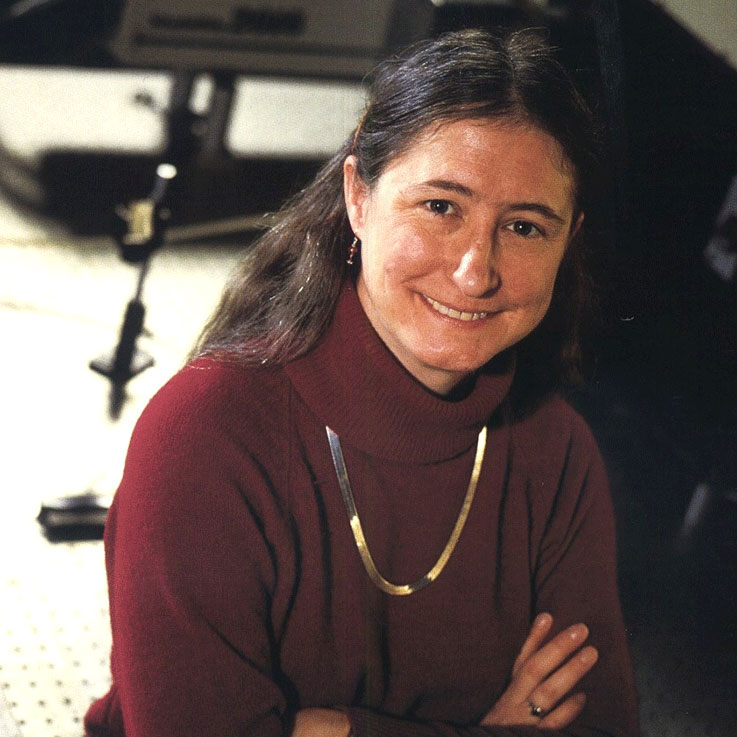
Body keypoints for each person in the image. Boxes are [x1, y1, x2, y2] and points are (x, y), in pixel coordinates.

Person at [85, 28, 639, 737]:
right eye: (440, 207)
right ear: (357, 195)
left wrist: (337, 730)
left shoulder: (556, 450)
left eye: (525, 227)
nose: (475, 270)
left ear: (569, 240)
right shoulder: (202, 434)